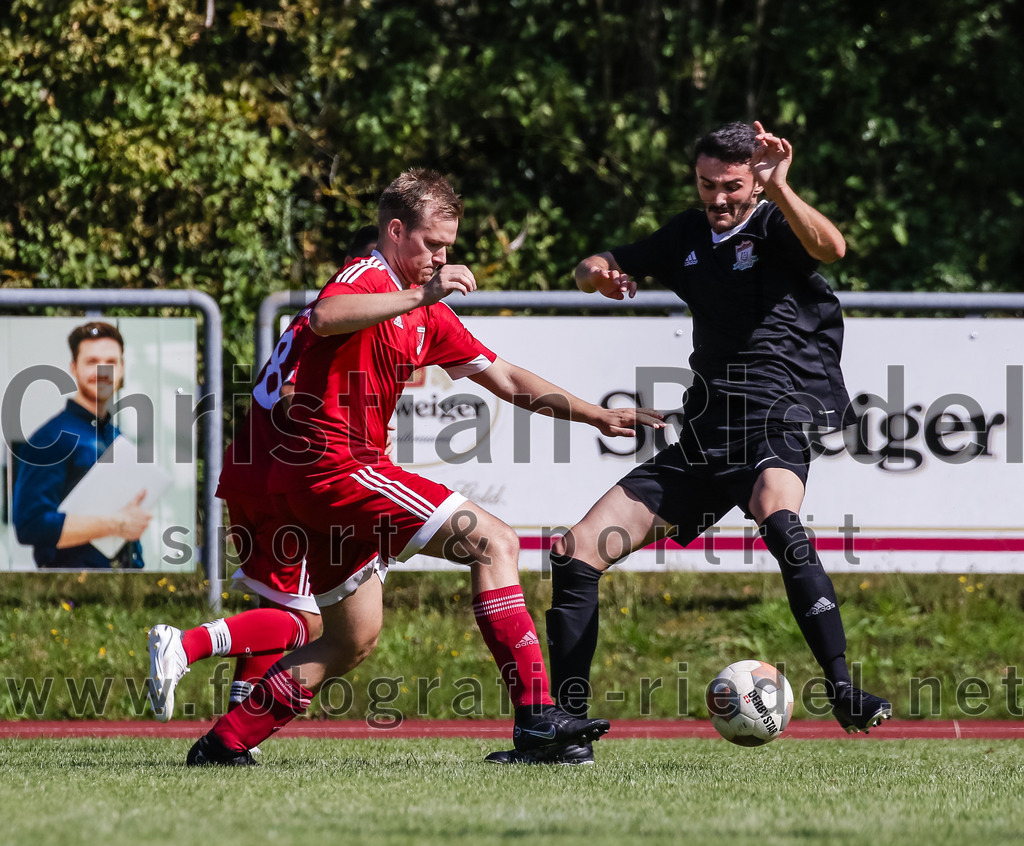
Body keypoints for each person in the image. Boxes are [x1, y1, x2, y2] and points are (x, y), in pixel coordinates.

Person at [184, 168, 663, 766]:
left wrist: (596, 415)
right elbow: (326, 316)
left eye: (448, 247)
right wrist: (422, 295)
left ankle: (224, 743)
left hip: (320, 483)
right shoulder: (371, 277)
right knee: (495, 542)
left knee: (350, 637)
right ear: (394, 231)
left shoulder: (424, 311)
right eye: (432, 243)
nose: (441, 258)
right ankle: (537, 718)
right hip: (336, 468)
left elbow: (507, 379)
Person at [489, 121, 892, 765]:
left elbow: (832, 247)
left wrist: (781, 187)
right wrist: (599, 275)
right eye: (708, 185)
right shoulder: (686, 235)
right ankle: (565, 730)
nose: (719, 198)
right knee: (575, 552)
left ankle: (842, 687)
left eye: (732, 186)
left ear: (755, 180)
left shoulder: (775, 223)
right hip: (705, 435)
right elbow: (593, 264)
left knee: (780, 520)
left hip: (775, 419)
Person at [148, 224, 388, 723]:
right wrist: (341, 445)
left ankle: (235, 729)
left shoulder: (318, 317)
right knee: (305, 623)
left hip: (252, 470)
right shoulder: (333, 325)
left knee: (275, 607)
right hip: (285, 478)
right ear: (355, 267)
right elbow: (289, 395)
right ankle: (186, 645)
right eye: (378, 265)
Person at [12, 321, 150, 569]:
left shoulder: (117, 437)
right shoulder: (49, 439)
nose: (102, 371)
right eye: (92, 361)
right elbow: (30, 525)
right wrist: (116, 524)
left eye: (111, 362)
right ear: (74, 368)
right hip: (71, 586)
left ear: (121, 369)